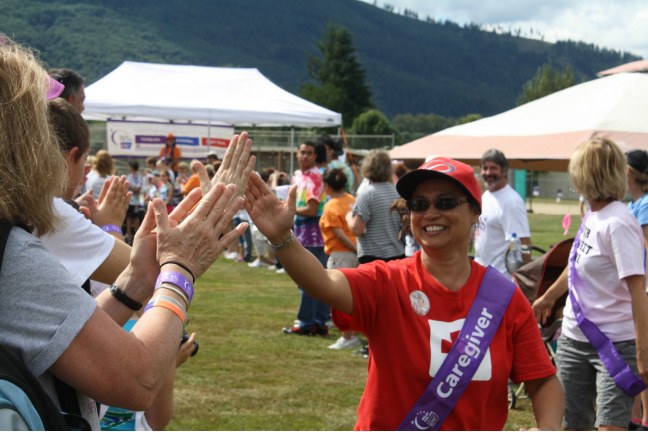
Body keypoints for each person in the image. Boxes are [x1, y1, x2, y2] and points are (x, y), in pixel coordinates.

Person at [0, 36, 250, 429]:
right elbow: (138, 379)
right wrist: (179, 271)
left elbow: (60, 332)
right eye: (39, 122)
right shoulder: (9, 253)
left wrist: (135, 282)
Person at [244, 154, 563, 430]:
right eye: (419, 204)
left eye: (446, 202)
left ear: (474, 214)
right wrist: (283, 238)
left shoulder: (503, 299)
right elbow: (322, 283)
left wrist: (548, 427)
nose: (430, 213)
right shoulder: (387, 281)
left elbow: (543, 380)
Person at [533, 138, 648, 431]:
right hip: (573, 339)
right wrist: (548, 297)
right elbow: (575, 267)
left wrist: (643, 349)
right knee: (573, 425)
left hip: (615, 345)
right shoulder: (593, 215)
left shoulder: (619, 223)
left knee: (610, 426)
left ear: (585, 174)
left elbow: (639, 292)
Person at [282, 141, 330, 336]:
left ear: (315, 156)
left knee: (309, 279)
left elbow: (311, 209)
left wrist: (288, 210)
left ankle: (307, 322)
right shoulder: (299, 176)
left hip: (314, 235)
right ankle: (318, 321)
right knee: (314, 279)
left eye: (309, 153)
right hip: (303, 232)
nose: (305, 156)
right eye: (302, 152)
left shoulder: (316, 177)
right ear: (296, 154)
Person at [319, 168, 361, 350]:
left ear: (327, 186)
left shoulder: (331, 205)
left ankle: (347, 336)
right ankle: (354, 331)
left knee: (340, 297)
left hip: (342, 254)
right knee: (356, 295)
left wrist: (354, 249)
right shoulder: (352, 199)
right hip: (355, 251)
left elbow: (339, 234)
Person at [474, 149, 532, 279]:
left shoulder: (511, 202)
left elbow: (525, 242)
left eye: (493, 168)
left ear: (504, 171)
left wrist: (523, 277)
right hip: (482, 274)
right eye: (485, 168)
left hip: (501, 278)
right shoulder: (486, 196)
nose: (488, 172)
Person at [348, 150, 404, 264]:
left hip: (373, 256)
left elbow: (357, 229)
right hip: (397, 253)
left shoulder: (367, 194)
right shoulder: (397, 193)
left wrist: (348, 217)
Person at [626, 149, 648, 430]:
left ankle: (643, 419)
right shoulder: (634, 204)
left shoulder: (644, 205)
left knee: (642, 353)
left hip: (642, 289)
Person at [125, 161, 143, 244]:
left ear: (132, 167)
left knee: (136, 218)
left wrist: (133, 188)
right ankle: (128, 234)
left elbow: (138, 187)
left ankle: (137, 234)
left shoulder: (139, 176)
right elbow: (129, 186)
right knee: (129, 217)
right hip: (130, 200)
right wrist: (133, 189)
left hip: (136, 201)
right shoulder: (129, 176)